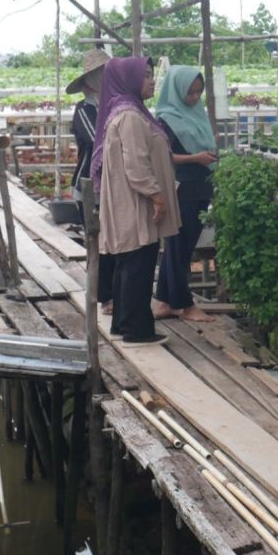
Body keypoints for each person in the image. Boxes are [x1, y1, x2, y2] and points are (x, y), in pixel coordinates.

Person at [95, 57, 180, 346]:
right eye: (145, 76)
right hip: (135, 202)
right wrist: (157, 196)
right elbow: (137, 165)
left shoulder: (128, 111)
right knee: (137, 265)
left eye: (151, 75)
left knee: (129, 263)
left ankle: (123, 324)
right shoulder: (130, 116)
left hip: (130, 201)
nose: (151, 81)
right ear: (129, 80)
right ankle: (137, 329)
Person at [151, 66, 218, 322]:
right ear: (177, 90)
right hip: (182, 187)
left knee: (182, 246)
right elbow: (164, 156)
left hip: (201, 185)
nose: (194, 97)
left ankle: (163, 301)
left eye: (198, 92)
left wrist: (208, 151)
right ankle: (185, 305)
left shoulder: (196, 113)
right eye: (190, 92)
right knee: (178, 247)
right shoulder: (165, 119)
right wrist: (195, 157)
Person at [66, 49, 116, 313]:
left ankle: (113, 294)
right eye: (100, 76)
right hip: (90, 186)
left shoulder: (117, 105)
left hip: (116, 184)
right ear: (89, 83)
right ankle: (104, 296)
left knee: (115, 240)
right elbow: (99, 141)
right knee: (99, 240)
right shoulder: (85, 109)